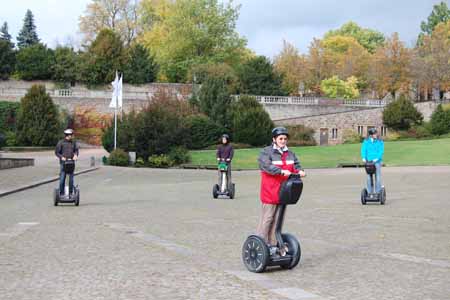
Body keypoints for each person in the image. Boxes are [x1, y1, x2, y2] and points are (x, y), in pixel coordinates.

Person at [257, 127, 306, 256]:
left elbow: (296, 165)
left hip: (284, 191)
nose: (283, 141)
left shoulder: (290, 153)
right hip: (270, 191)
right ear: (274, 139)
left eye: (285, 139)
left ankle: (273, 246)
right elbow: (266, 166)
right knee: (268, 218)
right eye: (280, 138)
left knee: (278, 220)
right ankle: (261, 245)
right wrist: (280, 171)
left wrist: (300, 171)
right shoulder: (266, 152)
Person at [55, 129, 79, 196]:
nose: (72, 136)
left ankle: (71, 193)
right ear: (67, 135)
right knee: (62, 178)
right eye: (71, 135)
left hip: (71, 163)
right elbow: (57, 152)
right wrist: (61, 157)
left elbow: (76, 151)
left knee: (71, 180)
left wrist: (75, 155)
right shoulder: (61, 143)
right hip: (63, 163)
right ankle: (61, 193)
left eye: (72, 135)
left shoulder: (73, 143)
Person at [360, 128, 384, 194]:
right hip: (368, 162)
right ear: (371, 135)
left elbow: (381, 151)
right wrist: (363, 158)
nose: (376, 134)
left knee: (377, 177)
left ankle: (378, 192)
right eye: (374, 134)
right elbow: (363, 149)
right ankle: (369, 192)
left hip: (376, 162)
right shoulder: (366, 141)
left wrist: (377, 158)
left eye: (376, 133)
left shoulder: (380, 141)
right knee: (368, 177)